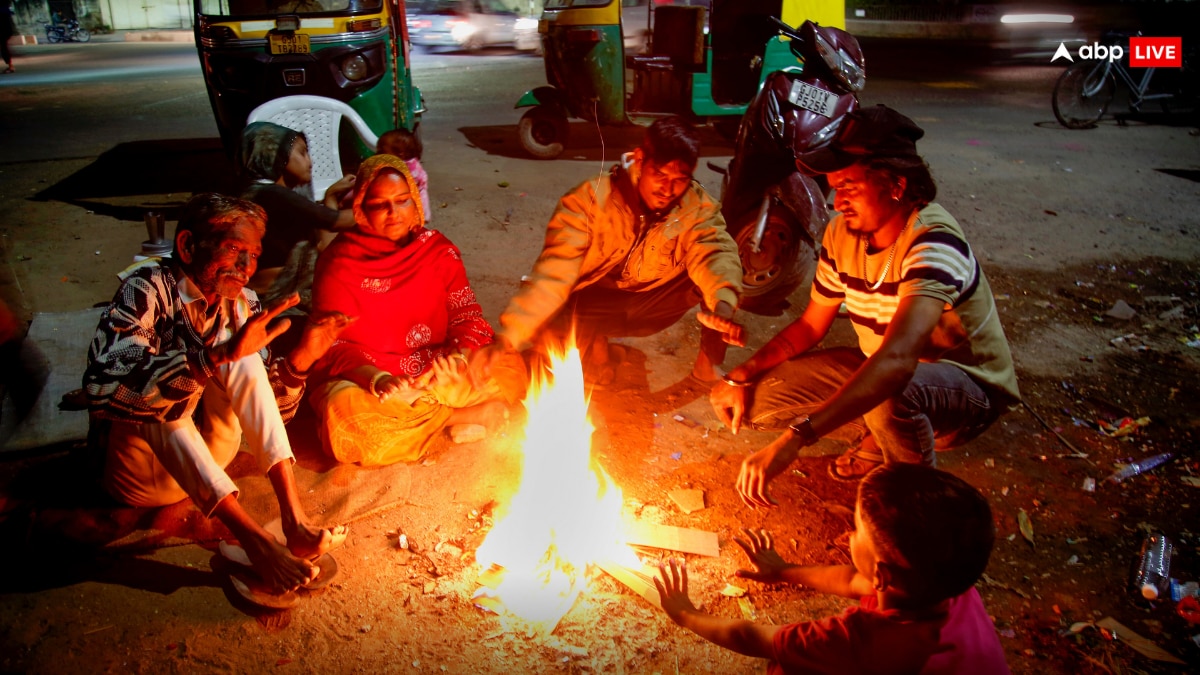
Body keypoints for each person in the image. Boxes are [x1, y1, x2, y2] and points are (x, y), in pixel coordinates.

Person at [710, 105, 1020, 492]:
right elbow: (809, 327)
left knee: (892, 393)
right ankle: (875, 438)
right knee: (752, 403)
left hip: (964, 392)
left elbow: (898, 361)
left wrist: (796, 438)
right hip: (885, 369)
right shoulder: (843, 234)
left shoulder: (932, 242)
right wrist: (741, 376)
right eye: (836, 189)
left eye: (849, 188)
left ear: (896, 185)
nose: (838, 203)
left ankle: (914, 503)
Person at [85, 193, 354, 593]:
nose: (246, 268)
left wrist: (299, 361)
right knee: (164, 391)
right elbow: (103, 388)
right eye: (233, 249)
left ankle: (293, 520)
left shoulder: (240, 303)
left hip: (211, 464)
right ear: (188, 246)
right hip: (140, 479)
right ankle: (255, 541)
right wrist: (211, 358)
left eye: (254, 255)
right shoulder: (146, 288)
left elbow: (269, 412)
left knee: (243, 359)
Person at [470, 115, 747, 387]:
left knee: (716, 281)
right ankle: (593, 343)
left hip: (651, 304)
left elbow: (716, 253)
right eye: (659, 174)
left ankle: (707, 366)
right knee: (547, 336)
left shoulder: (695, 207)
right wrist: (506, 339)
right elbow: (553, 275)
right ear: (640, 159)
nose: (667, 189)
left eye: (679, 179)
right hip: (593, 304)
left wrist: (722, 307)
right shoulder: (589, 201)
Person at [655, 462, 1010, 674]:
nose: (848, 534)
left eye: (856, 531)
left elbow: (754, 637)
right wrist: (784, 571)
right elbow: (856, 580)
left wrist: (686, 615)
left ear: (883, 574)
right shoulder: (948, 583)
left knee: (789, 668)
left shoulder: (861, 641)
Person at [307, 155, 524, 466]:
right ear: (361, 209)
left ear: (415, 202)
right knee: (344, 415)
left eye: (402, 201)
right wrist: (379, 380)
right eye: (380, 204)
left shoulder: (438, 251)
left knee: (508, 365)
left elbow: (468, 318)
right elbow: (331, 347)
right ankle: (458, 417)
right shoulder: (337, 264)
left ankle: (424, 417)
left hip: (436, 371)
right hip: (370, 381)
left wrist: (458, 358)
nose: (394, 213)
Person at [239, 121, 356, 309]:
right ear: (278, 155)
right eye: (302, 153)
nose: (310, 162)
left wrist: (331, 196)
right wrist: (381, 204)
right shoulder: (269, 194)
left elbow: (325, 244)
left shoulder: (270, 194)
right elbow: (338, 221)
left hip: (289, 293)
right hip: (275, 299)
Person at [376, 127, 431, 223]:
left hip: (412, 205)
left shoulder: (404, 169)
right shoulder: (409, 163)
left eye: (382, 152)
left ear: (400, 154)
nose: (378, 155)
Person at [1, 1, 15, 74]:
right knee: (4, 46)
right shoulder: (6, 8)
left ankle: (10, 66)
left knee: (4, 47)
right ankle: (10, 65)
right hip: (7, 29)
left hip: (3, 29)